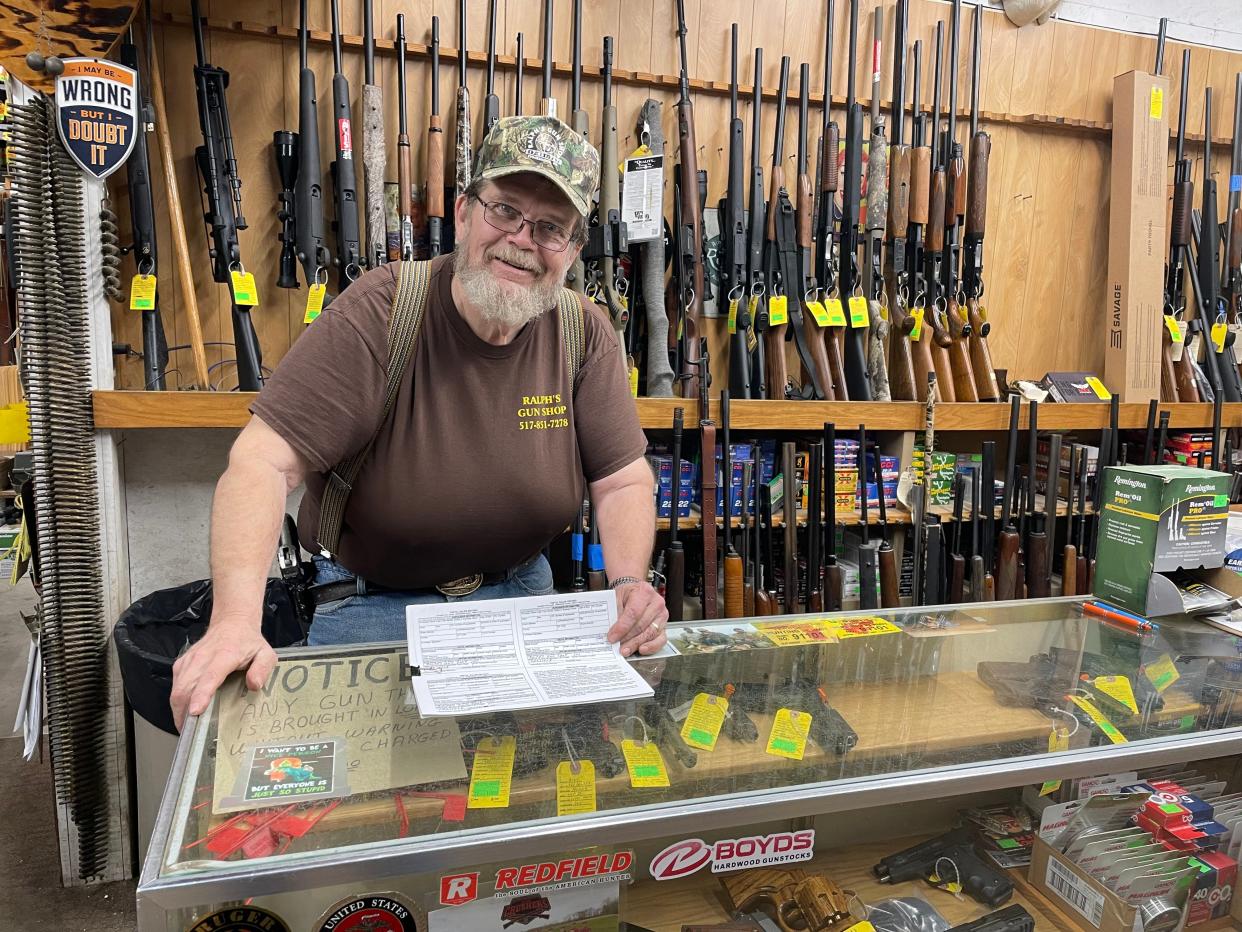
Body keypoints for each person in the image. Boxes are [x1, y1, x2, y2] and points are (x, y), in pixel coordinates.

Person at [170, 116, 668, 730]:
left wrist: (627, 585)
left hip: (521, 599)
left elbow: (622, 479)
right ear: (463, 212)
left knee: (538, 793)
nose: (521, 239)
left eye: (550, 228)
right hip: (372, 600)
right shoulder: (384, 310)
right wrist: (234, 625)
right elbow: (261, 463)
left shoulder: (583, 332)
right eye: (504, 210)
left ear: (572, 248)